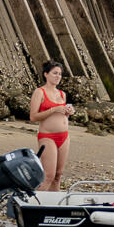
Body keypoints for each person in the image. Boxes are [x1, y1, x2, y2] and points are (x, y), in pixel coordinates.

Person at [28, 59, 74, 191]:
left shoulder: (62, 94)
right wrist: (53, 109)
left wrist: (68, 112)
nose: (58, 76)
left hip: (64, 136)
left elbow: (61, 114)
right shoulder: (39, 92)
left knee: (58, 176)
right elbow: (33, 117)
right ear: (46, 74)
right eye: (55, 73)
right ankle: (35, 204)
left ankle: (54, 205)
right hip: (47, 137)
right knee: (49, 175)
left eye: (60, 74)